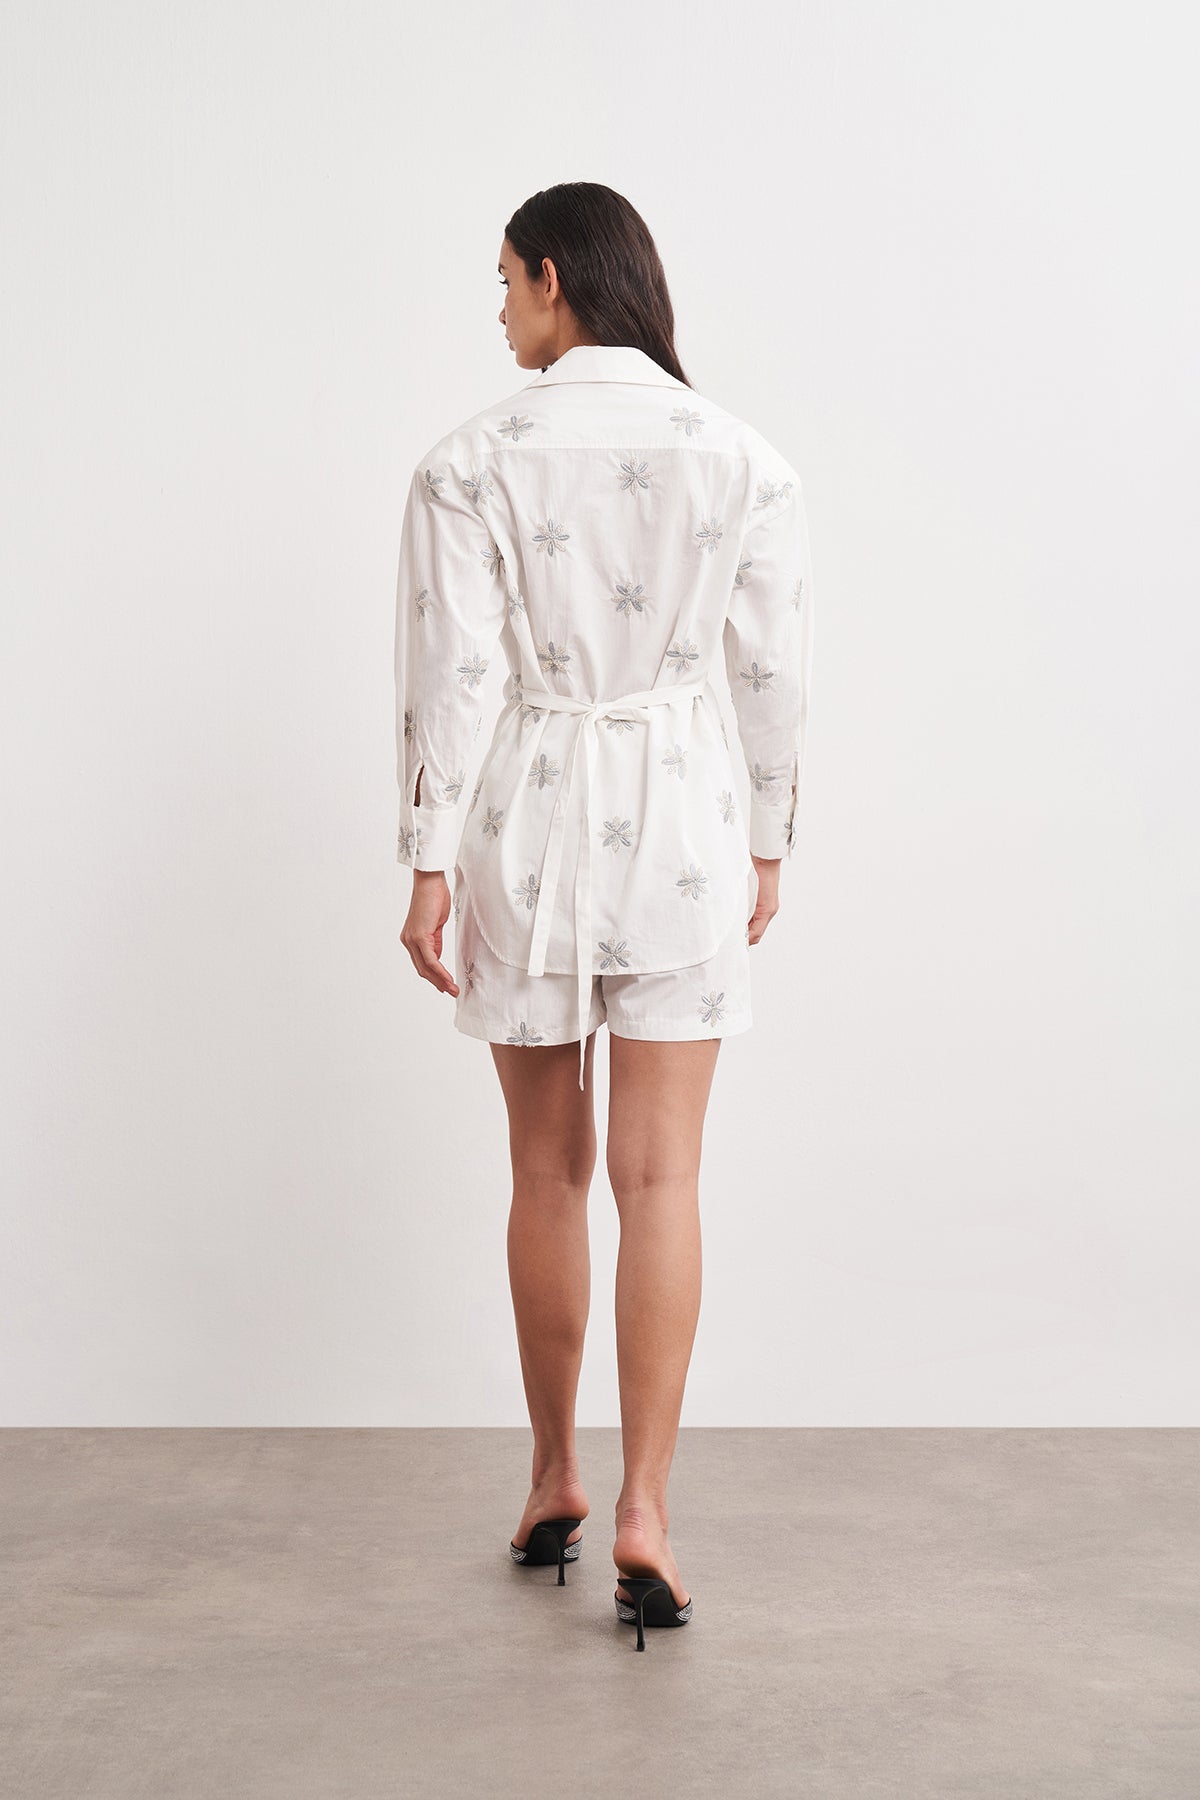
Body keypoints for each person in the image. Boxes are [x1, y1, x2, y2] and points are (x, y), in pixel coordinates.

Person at [394, 182, 814, 1650]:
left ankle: (552, 1477)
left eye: (506, 281)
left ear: (556, 278)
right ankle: (646, 1509)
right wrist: (767, 838)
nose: (500, 309)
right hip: (685, 818)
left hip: (529, 815)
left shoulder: (468, 462)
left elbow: (451, 675)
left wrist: (428, 860)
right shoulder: (744, 458)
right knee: (664, 1178)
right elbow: (772, 671)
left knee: (545, 1170)